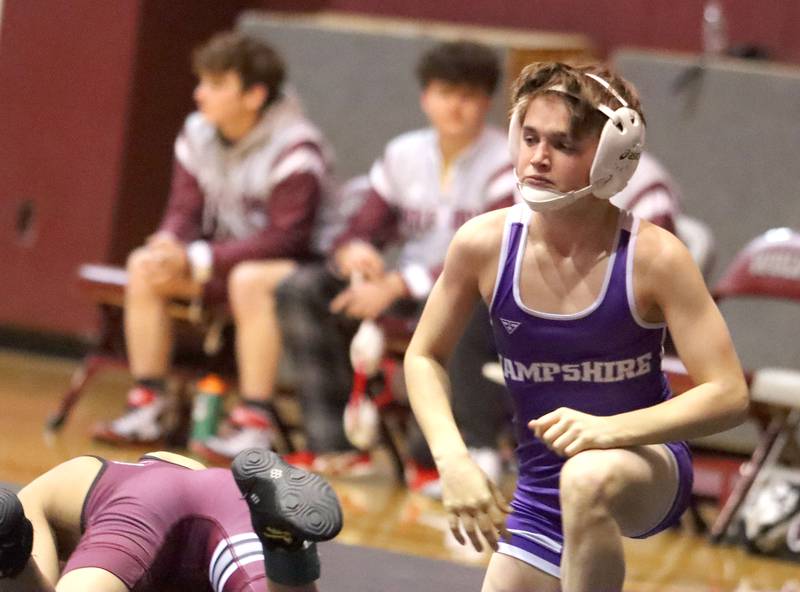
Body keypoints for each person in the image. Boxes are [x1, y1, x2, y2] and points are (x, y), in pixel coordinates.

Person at [403, 61, 749, 591]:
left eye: (563, 145)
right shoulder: (484, 245)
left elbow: (728, 393)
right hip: (542, 483)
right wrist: (453, 460)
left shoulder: (654, 258)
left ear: (613, 159)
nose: (538, 158)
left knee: (587, 475)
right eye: (530, 137)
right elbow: (424, 355)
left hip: (643, 462)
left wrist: (610, 432)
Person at [267, 39, 516, 479]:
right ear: (425, 98)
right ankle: (335, 445)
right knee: (302, 289)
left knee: (446, 311)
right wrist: (356, 252)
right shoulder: (404, 153)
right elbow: (363, 225)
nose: (454, 107)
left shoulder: (509, 162)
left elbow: (489, 254)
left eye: (467, 96)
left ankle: (432, 459)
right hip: (404, 285)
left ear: (487, 102)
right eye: (444, 94)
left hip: (470, 295)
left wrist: (397, 285)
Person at [93, 31, 334, 448]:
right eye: (202, 81)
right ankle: (150, 403)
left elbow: (287, 239)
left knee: (249, 280)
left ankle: (256, 421)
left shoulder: (297, 148)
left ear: (254, 96)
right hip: (223, 259)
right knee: (144, 266)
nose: (200, 94)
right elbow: (184, 208)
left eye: (215, 85)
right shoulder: (196, 133)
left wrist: (198, 257)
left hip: (301, 269)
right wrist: (168, 244)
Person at [0, 448, 342, 591]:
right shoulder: (56, 487)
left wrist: (16, 563)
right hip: (227, 495)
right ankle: (285, 546)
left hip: (137, 510)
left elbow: (35, 577)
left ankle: (10, 554)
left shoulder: (38, 504)